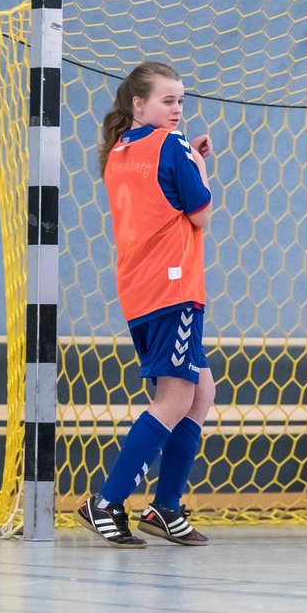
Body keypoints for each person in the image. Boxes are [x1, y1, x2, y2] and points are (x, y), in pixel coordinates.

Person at [78, 61, 214, 548]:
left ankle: (165, 507)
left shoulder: (118, 151)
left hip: (139, 290)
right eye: (167, 101)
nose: (177, 109)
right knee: (176, 398)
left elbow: (158, 191)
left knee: (200, 391)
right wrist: (197, 165)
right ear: (139, 104)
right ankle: (107, 501)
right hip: (174, 288)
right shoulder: (171, 145)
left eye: (180, 100)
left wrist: (184, 161)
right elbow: (201, 215)